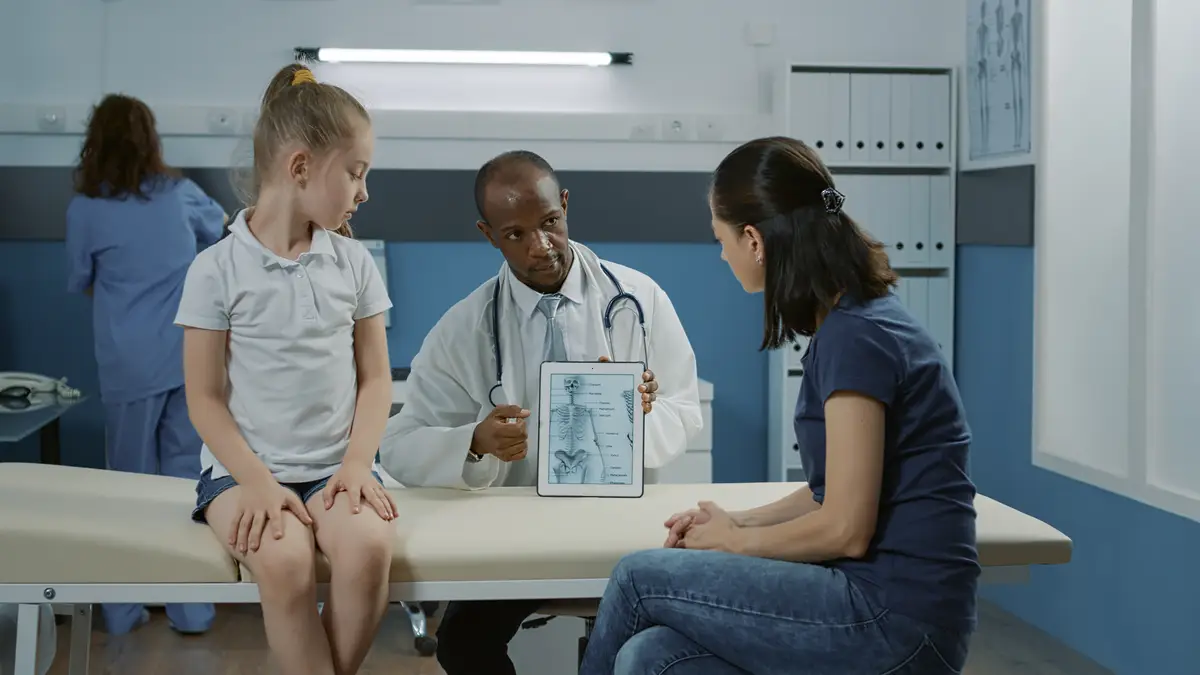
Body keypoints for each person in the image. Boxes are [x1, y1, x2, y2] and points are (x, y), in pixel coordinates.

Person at [579, 136, 980, 675]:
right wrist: (735, 523)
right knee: (650, 660)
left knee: (637, 577)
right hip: (879, 604)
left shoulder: (855, 336)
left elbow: (845, 528)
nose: (722, 254)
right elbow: (829, 494)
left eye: (721, 240)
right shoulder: (855, 319)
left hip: (897, 621)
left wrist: (735, 546)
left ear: (754, 239)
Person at [378, 149, 704, 675]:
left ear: (566, 205)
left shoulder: (638, 300)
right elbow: (399, 443)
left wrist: (638, 416)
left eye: (551, 222)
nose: (540, 246)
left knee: (643, 648)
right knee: (461, 643)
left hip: (617, 526)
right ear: (488, 234)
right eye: (515, 234)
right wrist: (475, 443)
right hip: (519, 537)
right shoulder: (465, 327)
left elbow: (684, 409)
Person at [174, 64, 396, 675]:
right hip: (243, 474)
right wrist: (258, 484)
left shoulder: (351, 264)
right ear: (301, 169)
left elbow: (377, 379)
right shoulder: (216, 270)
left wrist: (356, 464)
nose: (364, 190)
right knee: (286, 563)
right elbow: (205, 399)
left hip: (334, 469)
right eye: (356, 172)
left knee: (370, 548)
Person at [64, 93, 224, 636]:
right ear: (152, 139)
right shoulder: (181, 195)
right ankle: (191, 609)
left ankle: (122, 609)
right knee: (185, 476)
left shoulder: (85, 209)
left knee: (127, 481)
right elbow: (219, 239)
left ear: (95, 142)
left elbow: (79, 280)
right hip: (186, 354)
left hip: (127, 358)